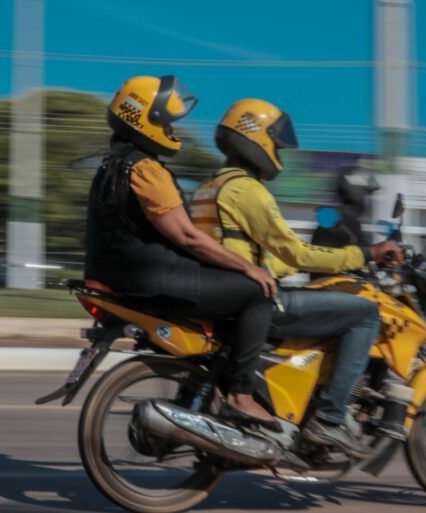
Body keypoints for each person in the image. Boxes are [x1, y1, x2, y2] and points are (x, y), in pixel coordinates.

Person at [190, 98, 403, 458]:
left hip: (222, 291)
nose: (278, 152)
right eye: (275, 142)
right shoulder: (247, 190)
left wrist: (299, 265)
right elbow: (295, 252)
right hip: (249, 298)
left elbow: (254, 253)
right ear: (255, 138)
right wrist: (368, 254)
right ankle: (331, 419)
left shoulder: (209, 185)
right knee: (364, 313)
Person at [84, 76, 280, 426]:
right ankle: (241, 393)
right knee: (255, 294)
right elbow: (188, 238)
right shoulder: (147, 170)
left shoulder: (108, 167)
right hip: (155, 280)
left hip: (121, 276)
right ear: (146, 121)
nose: (173, 129)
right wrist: (249, 268)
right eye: (168, 121)